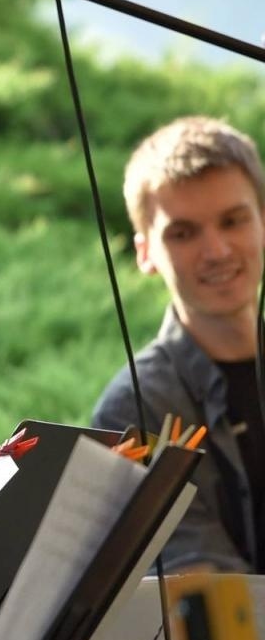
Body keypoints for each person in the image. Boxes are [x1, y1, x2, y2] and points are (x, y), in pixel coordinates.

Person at [91, 116, 265, 573]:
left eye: (233, 221)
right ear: (145, 252)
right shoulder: (134, 410)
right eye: (183, 233)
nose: (217, 251)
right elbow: (203, 579)